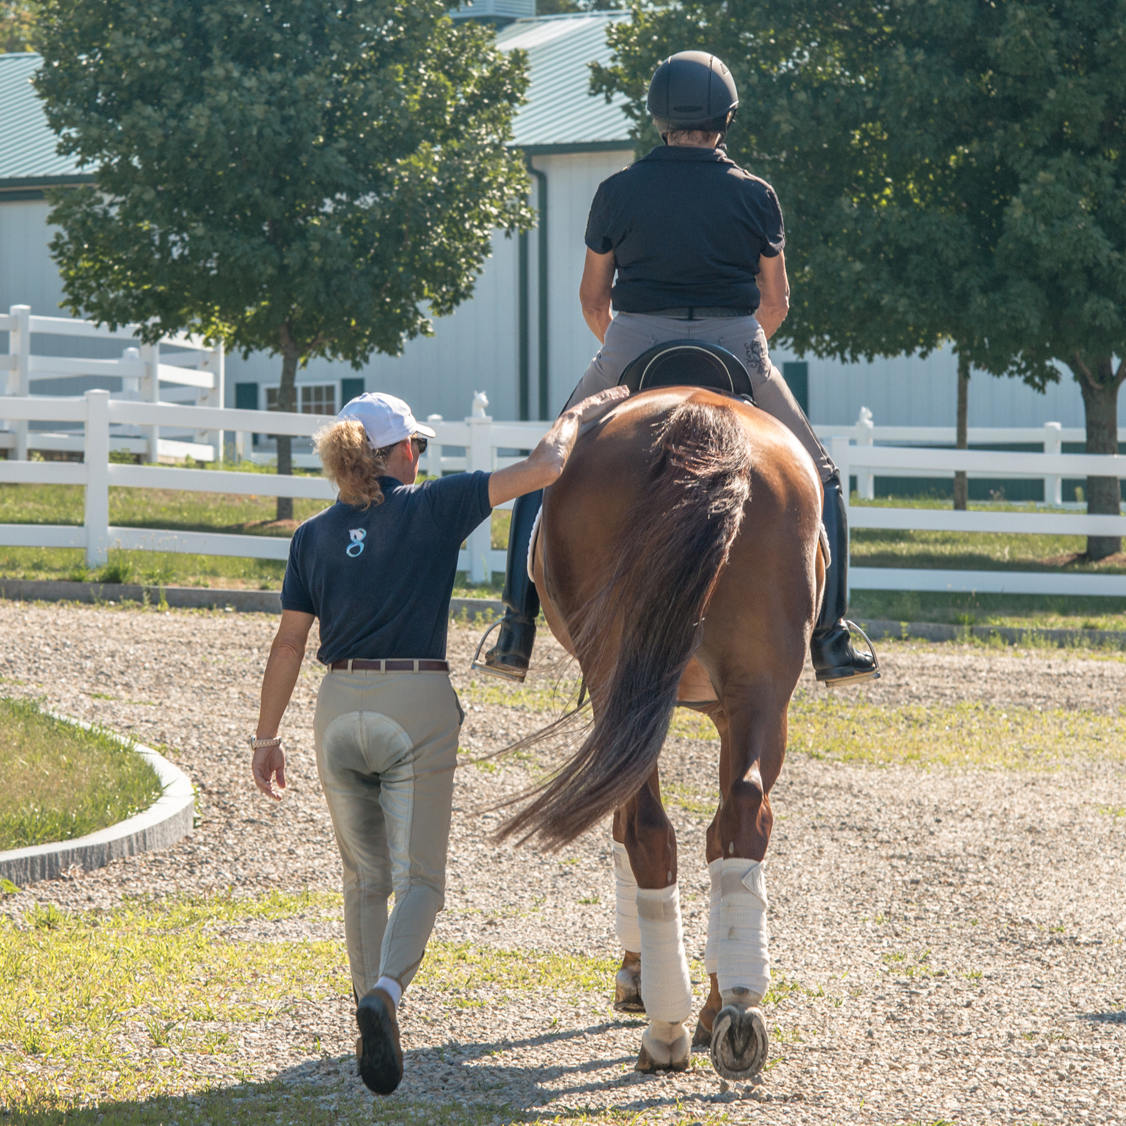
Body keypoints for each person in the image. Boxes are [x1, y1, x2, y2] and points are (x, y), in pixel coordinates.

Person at [249, 386, 627, 1096]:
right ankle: (386, 994)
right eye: (416, 445)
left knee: (363, 880)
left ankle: (367, 1012)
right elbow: (545, 467)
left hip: (335, 710)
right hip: (412, 700)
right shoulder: (431, 506)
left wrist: (265, 736)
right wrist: (586, 408)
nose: (421, 456)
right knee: (421, 879)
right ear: (402, 453)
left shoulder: (313, 536)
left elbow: (289, 645)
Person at [479, 50, 877, 688]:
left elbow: (592, 297)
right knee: (821, 476)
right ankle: (831, 638)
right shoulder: (755, 194)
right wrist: (748, 347)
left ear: (658, 116)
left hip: (634, 341)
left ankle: (516, 629)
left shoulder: (618, 190)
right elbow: (775, 301)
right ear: (727, 115)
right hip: (736, 342)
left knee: (545, 463)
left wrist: (624, 349)